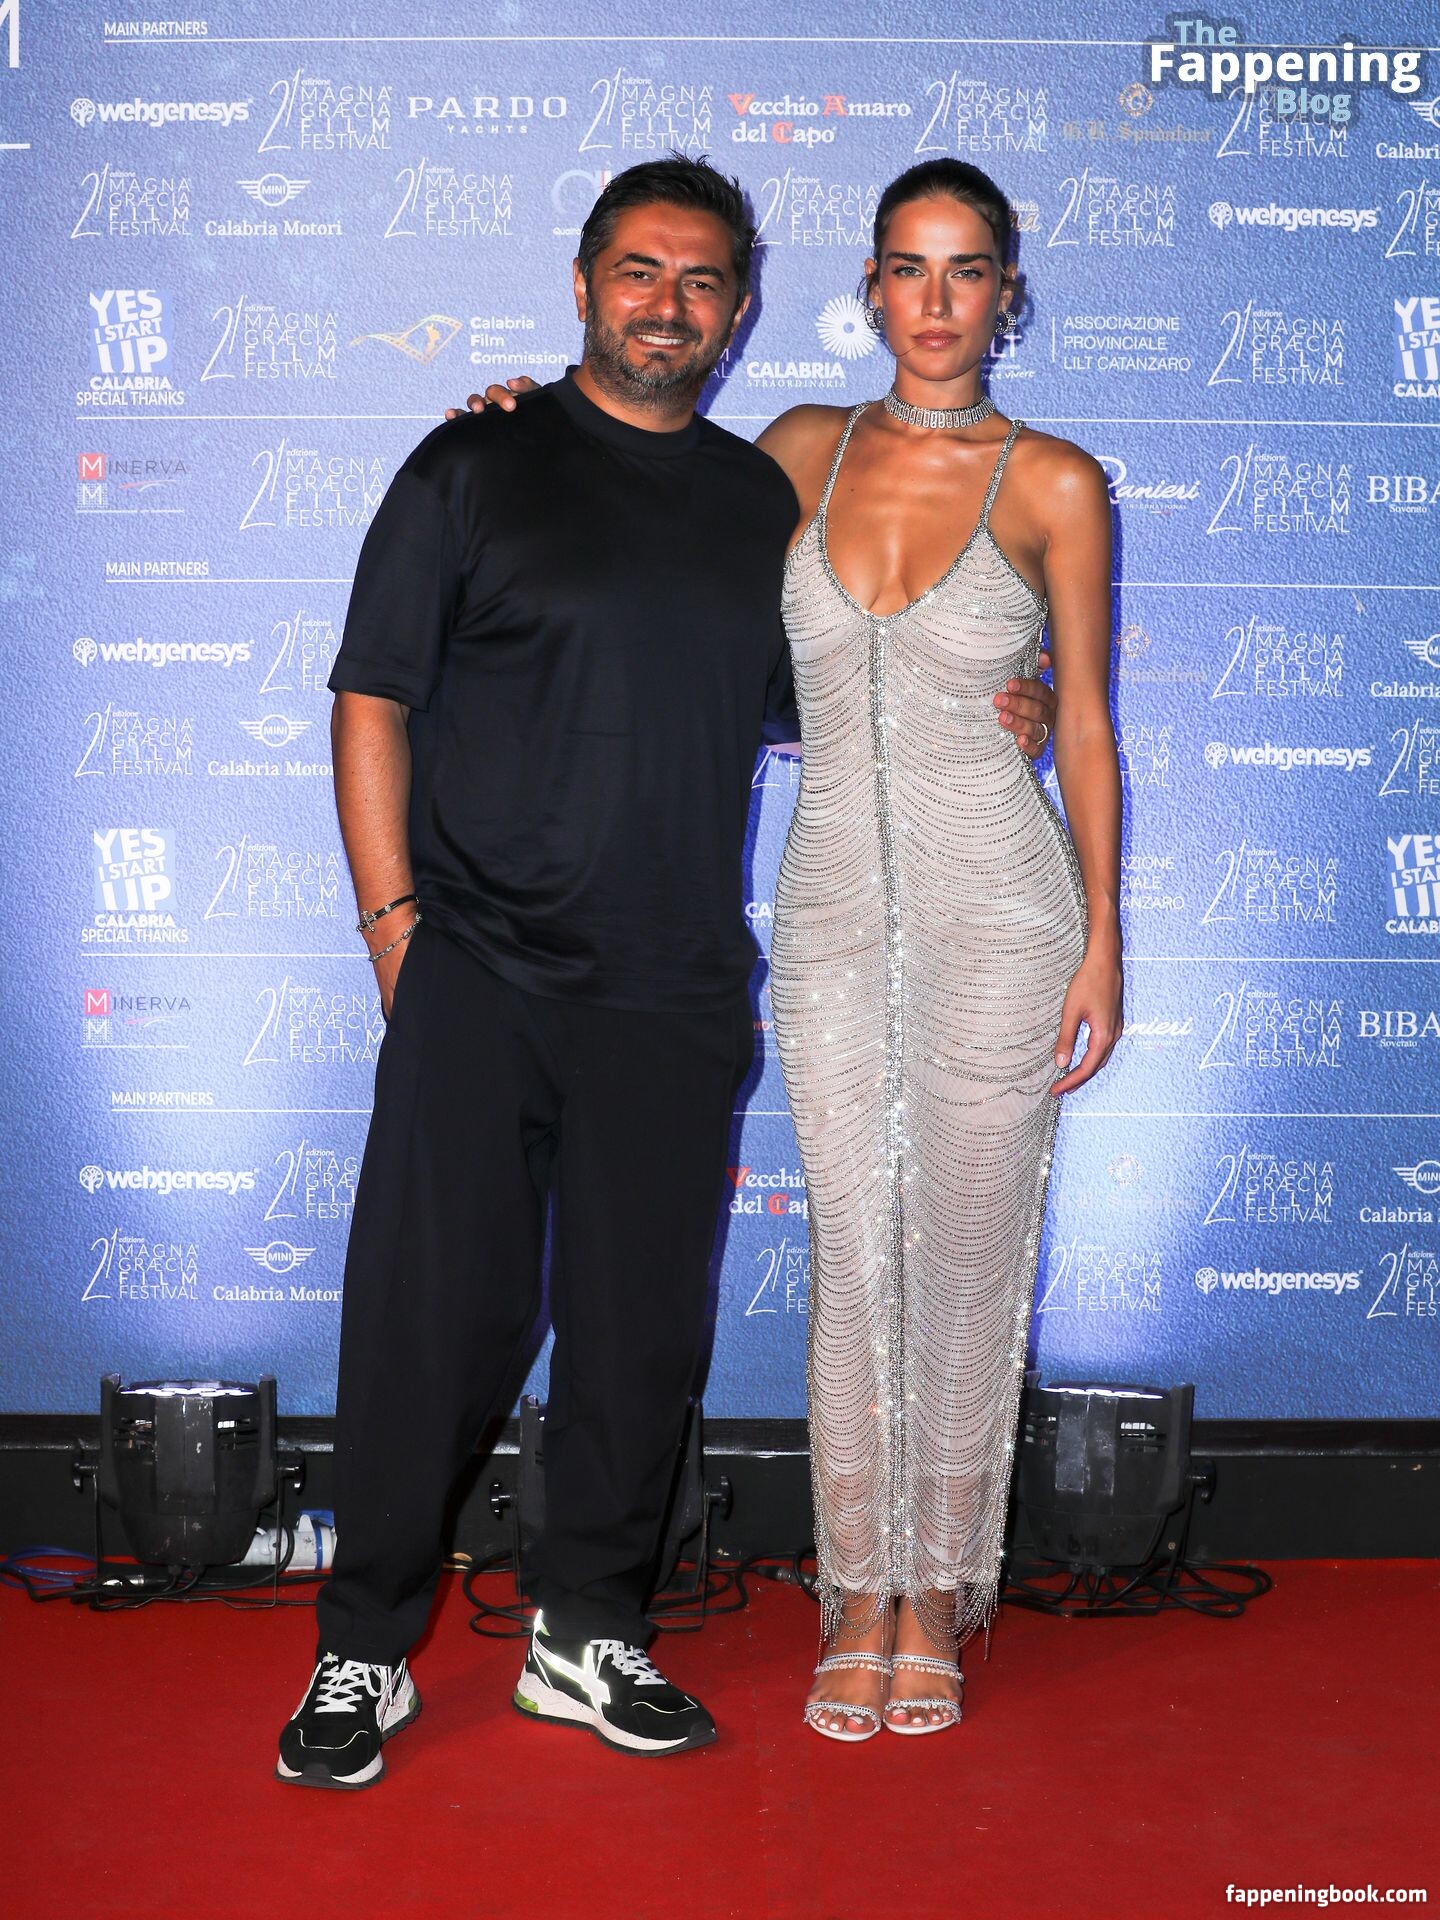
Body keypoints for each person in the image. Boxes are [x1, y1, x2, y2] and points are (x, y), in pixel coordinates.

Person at [277, 155, 1057, 1789]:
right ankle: (362, 1649)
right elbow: (370, 697)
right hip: (477, 969)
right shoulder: (472, 461)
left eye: (702, 281)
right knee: (431, 1325)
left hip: (676, 989)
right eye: (640, 271)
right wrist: (394, 927)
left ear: (741, 309)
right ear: (583, 285)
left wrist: (1019, 692)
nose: (668, 305)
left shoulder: (756, 501)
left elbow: (852, 667)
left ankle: (587, 1632)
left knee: (638, 1340)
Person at [761, 161, 1122, 1740]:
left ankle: (936, 1594)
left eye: (966, 270)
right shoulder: (796, 452)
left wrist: (1104, 941)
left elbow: (1088, 726)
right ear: (870, 285)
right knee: (853, 1255)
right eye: (908, 268)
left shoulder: (1055, 483)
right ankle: (856, 1590)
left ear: (1006, 294)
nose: (935, 300)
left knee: (969, 1262)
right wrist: (520, 426)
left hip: (1004, 914)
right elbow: (656, 575)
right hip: (830, 911)